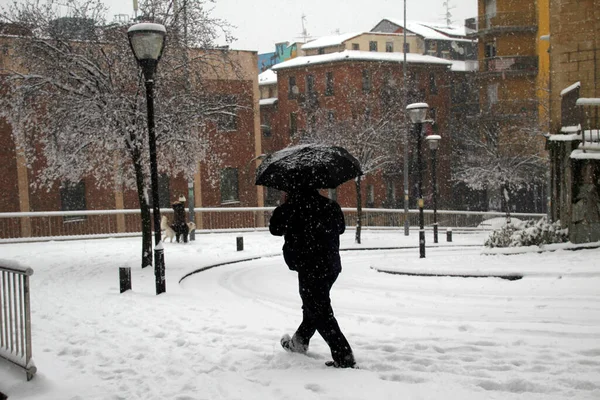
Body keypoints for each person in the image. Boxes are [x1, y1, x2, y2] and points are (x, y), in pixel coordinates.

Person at [269, 188, 356, 368]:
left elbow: (274, 228)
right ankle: (299, 342)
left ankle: (344, 356)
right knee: (314, 306)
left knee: (319, 310)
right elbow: (340, 228)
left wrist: (286, 207)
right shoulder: (330, 206)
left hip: (309, 267)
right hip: (330, 266)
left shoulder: (292, 208)